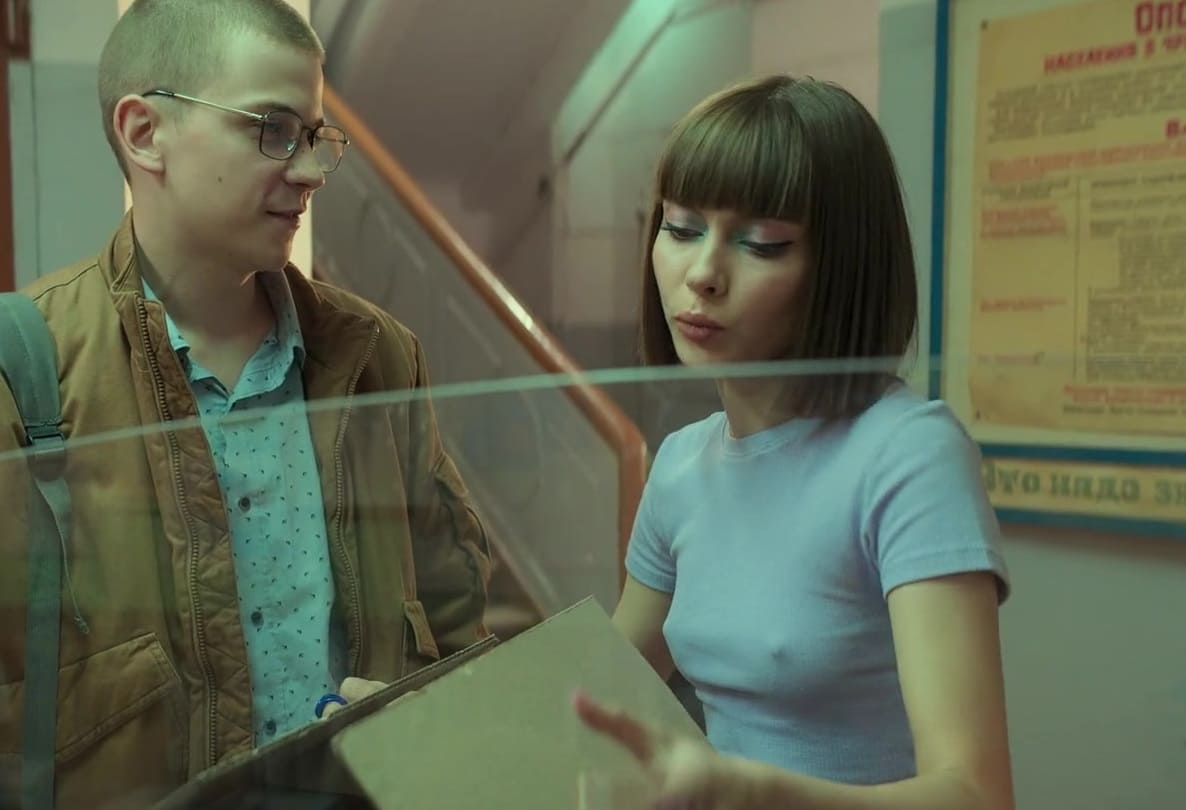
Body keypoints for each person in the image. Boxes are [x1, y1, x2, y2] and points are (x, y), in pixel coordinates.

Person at [0, 1, 490, 806]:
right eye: (273, 129)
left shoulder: (375, 355)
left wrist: (431, 732)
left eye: (314, 137)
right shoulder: (25, 368)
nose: (309, 170)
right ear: (144, 132)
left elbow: (456, 620)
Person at [574, 75, 1014, 810]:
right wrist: (422, 709)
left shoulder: (907, 454)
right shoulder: (680, 464)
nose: (703, 274)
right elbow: (599, 687)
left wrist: (747, 791)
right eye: (680, 229)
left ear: (840, 266)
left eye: (762, 243)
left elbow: (975, 796)